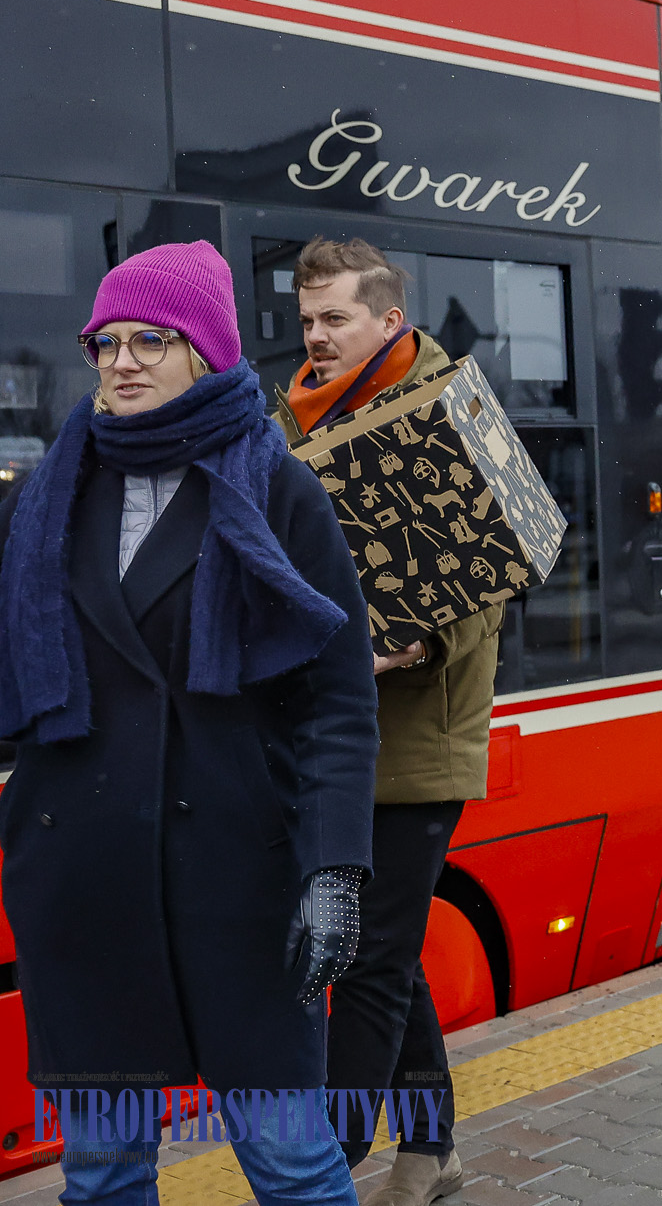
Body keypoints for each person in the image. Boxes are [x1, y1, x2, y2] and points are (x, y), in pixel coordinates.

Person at [0, 242, 378, 1204]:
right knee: (101, 1174)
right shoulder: (51, 491)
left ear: (204, 351)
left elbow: (337, 700)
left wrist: (333, 869)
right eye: (105, 342)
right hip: (85, 883)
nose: (122, 361)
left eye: (150, 340)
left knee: (292, 1165)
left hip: (238, 886)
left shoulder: (276, 486)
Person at [280, 238, 501, 1202]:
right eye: (307, 320)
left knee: (369, 958)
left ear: (388, 320)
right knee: (392, 955)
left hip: (416, 744)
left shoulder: (448, 409)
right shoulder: (294, 414)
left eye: (335, 318)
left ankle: (324, 1168)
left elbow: (489, 579)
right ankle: (431, 1147)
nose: (317, 336)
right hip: (326, 736)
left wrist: (406, 643)